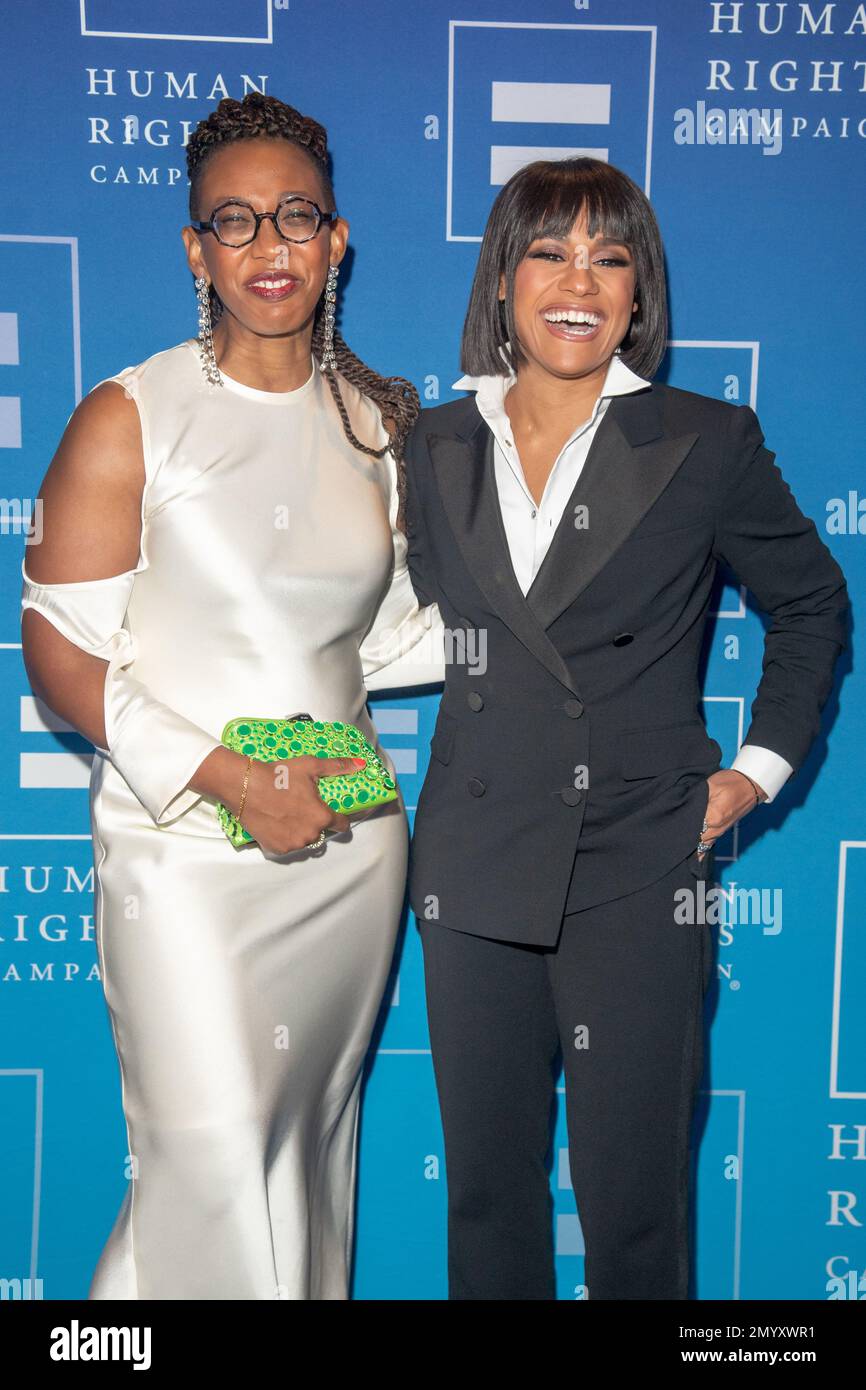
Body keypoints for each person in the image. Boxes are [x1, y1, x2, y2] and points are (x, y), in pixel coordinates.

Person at [19, 92, 444, 1300]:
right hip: (186, 856)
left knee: (301, 1164)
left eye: (296, 217)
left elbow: (384, 639)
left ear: (339, 237)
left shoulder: (376, 425)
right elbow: (59, 646)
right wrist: (233, 780)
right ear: (195, 248)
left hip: (344, 855)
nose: (271, 248)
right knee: (206, 1157)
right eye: (237, 222)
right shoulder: (130, 415)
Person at [403, 157, 849, 1300]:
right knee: (488, 1198)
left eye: (609, 257)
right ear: (502, 277)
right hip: (473, 858)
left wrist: (749, 775)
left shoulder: (703, 441)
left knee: (634, 1205)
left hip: (637, 865)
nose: (577, 281)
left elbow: (810, 605)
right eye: (548, 250)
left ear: (638, 294)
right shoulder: (430, 443)